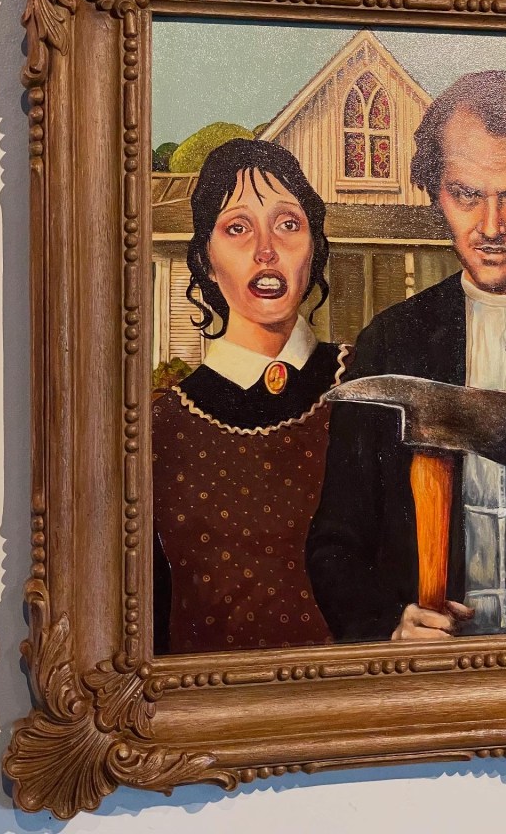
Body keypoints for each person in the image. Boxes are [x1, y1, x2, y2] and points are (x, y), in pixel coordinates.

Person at [307, 70, 506, 643]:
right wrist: (389, 626)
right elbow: (335, 545)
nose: (490, 226)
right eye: (465, 195)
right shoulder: (394, 342)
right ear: (435, 192)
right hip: (436, 675)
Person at [152, 139, 350, 655]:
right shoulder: (160, 430)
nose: (266, 250)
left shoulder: (364, 384)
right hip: (212, 697)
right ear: (205, 257)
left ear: (314, 246)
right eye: (237, 228)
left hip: (351, 690)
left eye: (287, 224)